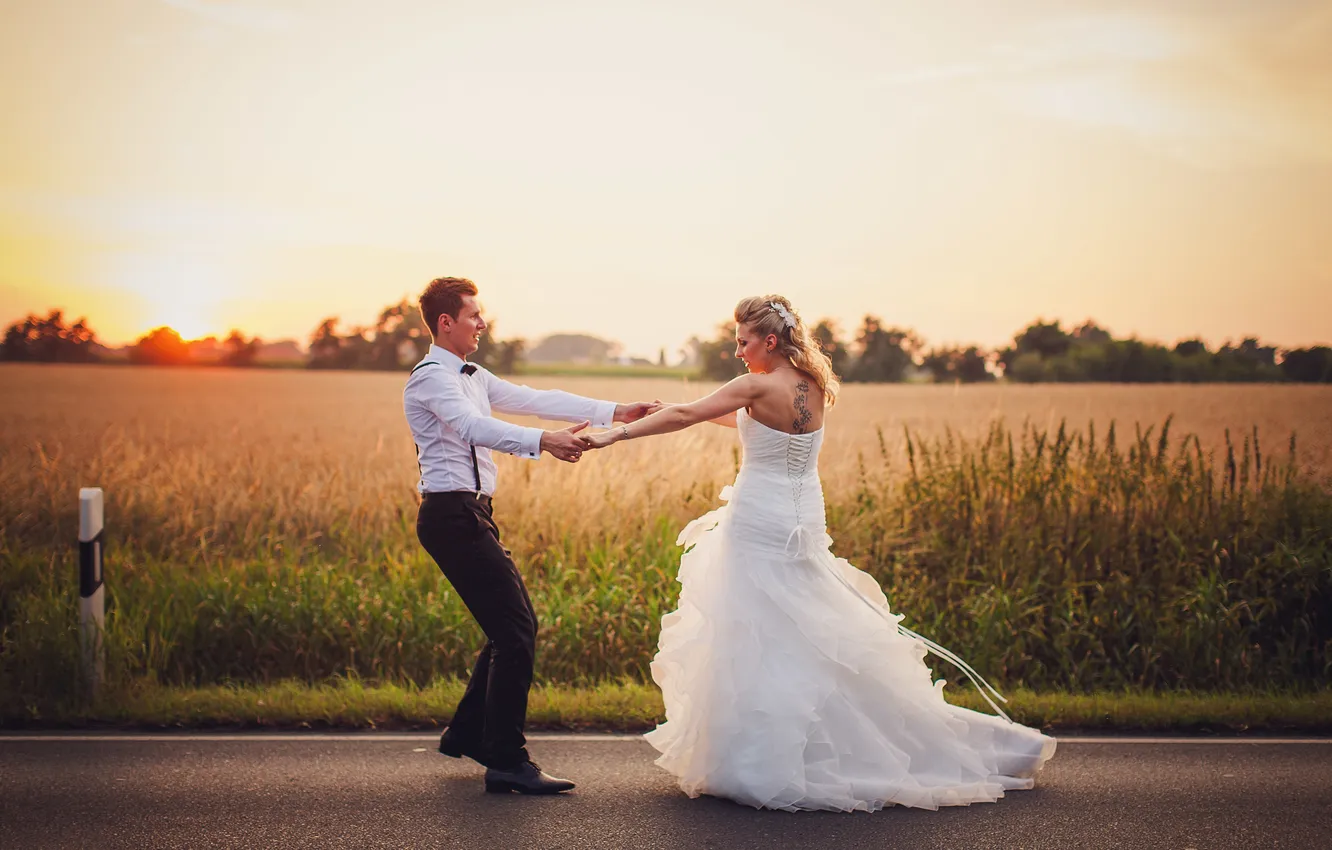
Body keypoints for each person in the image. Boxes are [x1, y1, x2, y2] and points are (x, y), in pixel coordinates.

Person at [582, 295, 1056, 812]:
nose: (737, 353)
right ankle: (809, 748)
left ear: (768, 340)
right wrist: (676, 411)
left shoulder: (754, 385)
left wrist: (618, 434)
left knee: (757, 633)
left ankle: (765, 757)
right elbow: (753, 425)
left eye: (742, 343)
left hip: (760, 522)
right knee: (801, 628)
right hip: (804, 517)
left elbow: (688, 417)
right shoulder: (813, 385)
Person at [405, 276, 659, 795]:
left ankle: (471, 733)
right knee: (516, 630)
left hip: (472, 513)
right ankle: (506, 760)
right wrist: (546, 441)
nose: (482, 322)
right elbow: (473, 428)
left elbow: (534, 396)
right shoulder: (431, 378)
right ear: (445, 322)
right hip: (451, 517)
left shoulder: (472, 374)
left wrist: (616, 411)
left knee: (510, 628)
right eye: (473, 314)